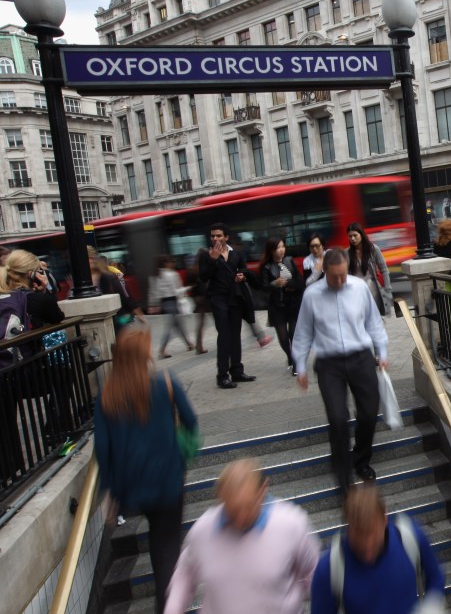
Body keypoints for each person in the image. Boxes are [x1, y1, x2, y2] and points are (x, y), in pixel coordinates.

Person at [95, 327, 197, 613]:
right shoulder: (165, 382)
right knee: (167, 543)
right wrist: (181, 451)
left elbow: (103, 450)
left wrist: (112, 491)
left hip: (134, 486)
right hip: (168, 481)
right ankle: (169, 605)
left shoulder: (107, 395)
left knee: (157, 538)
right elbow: (190, 420)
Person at [165, 459, 319, 614]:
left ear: (263, 490)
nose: (241, 518)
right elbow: (183, 578)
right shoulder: (202, 530)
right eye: (233, 510)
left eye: (248, 506)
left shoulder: (291, 523)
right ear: (221, 499)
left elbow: (315, 575)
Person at [292, 248, 388, 492]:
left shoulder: (359, 288)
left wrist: (382, 352)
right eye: (335, 276)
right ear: (325, 272)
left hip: (361, 358)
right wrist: (300, 366)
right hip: (329, 364)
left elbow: (373, 322)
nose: (340, 281)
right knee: (337, 418)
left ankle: (361, 458)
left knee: (368, 412)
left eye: (343, 275)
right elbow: (303, 333)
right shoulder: (312, 295)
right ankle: (343, 476)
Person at [310, 483, 444, 614]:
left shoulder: (411, 539)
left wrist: (431, 605)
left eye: (374, 540)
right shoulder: (328, 569)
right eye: (359, 541)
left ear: (384, 519)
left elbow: (436, 578)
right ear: (348, 527)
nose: (368, 551)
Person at [1, 250, 65, 484]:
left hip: (4, 371)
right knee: (65, 375)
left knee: (6, 419)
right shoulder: (35, 298)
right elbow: (57, 315)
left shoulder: (4, 296)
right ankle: (57, 427)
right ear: (32, 273)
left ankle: (9, 471)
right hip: (25, 373)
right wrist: (45, 288)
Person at [198, 223, 258, 389]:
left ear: (226, 237)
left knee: (235, 335)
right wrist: (213, 259)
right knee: (224, 336)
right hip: (218, 299)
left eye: (218, 235)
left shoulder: (236, 253)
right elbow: (203, 277)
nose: (215, 239)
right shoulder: (206, 255)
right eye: (212, 236)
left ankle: (237, 371)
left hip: (235, 298)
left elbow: (244, 270)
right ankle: (222, 375)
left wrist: (242, 277)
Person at [259, 237, 303, 375]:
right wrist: (275, 284)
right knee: (283, 338)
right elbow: (264, 287)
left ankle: (296, 364)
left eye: (283, 246)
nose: (281, 250)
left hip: (292, 304)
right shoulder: (266, 267)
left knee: (293, 334)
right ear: (271, 250)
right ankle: (290, 356)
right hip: (277, 307)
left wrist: (290, 285)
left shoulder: (289, 261)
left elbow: (299, 281)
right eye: (278, 247)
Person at [88, 247, 144, 330]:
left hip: (115, 319)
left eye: (91, 258)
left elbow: (125, 293)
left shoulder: (108, 275)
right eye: (88, 258)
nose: (90, 261)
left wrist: (138, 313)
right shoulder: (81, 282)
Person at [149, 255, 194, 359]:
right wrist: (186, 290)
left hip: (164, 303)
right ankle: (162, 350)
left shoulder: (155, 275)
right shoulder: (172, 274)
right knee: (170, 326)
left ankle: (189, 344)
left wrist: (152, 305)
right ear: (165, 263)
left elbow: (153, 292)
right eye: (170, 261)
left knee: (178, 324)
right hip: (173, 302)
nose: (172, 263)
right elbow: (176, 290)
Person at [346, 223, 393, 317]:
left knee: (375, 318)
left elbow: (384, 269)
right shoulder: (347, 253)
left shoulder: (373, 249)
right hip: (355, 291)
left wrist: (388, 290)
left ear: (362, 235)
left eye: (355, 235)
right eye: (350, 236)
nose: (353, 239)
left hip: (372, 289)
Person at [184, 250, 209, 355]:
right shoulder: (205, 268)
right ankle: (226, 341)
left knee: (201, 323)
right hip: (206, 298)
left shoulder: (191, 270)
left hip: (196, 299)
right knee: (218, 319)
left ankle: (199, 346)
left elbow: (187, 286)